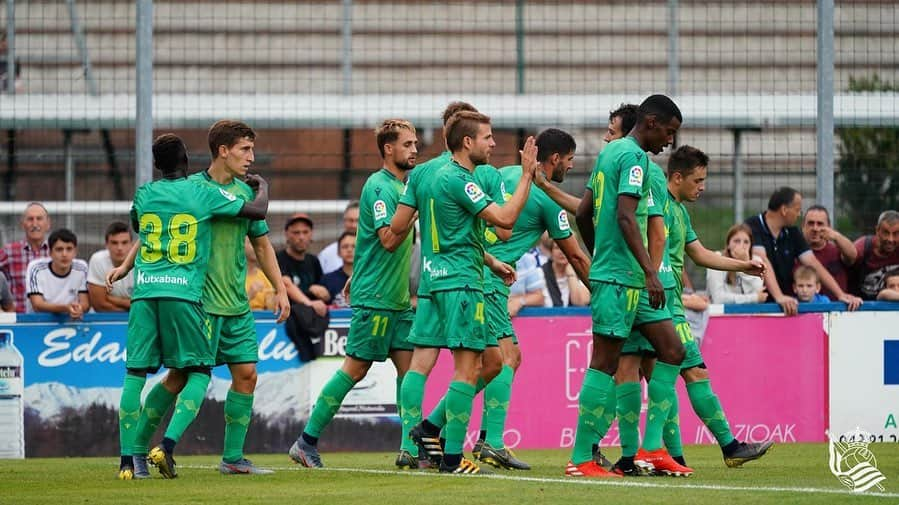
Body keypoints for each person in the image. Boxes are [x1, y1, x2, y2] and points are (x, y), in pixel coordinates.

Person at [110, 133, 269, 480]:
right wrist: (263, 187)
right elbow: (258, 210)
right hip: (187, 293)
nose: (251, 156)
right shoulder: (203, 192)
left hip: (145, 292)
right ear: (188, 160)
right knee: (196, 372)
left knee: (135, 374)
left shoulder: (144, 194)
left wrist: (125, 266)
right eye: (246, 149)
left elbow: (147, 230)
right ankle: (163, 446)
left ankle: (129, 460)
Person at [390, 111, 536, 475]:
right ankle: (452, 459)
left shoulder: (422, 174)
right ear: (467, 142)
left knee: (490, 362)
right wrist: (528, 176)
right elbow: (505, 221)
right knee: (468, 370)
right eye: (487, 137)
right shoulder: (461, 179)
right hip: (462, 285)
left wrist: (485, 260)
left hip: (433, 281)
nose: (493, 143)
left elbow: (397, 227)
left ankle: (422, 433)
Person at [566, 94, 687, 479]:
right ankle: (581, 458)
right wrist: (651, 271)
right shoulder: (635, 158)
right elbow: (625, 216)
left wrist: (597, 252)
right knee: (605, 362)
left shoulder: (609, 153)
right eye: (668, 132)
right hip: (625, 278)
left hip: (626, 275)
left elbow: (583, 213)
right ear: (651, 122)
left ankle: (651, 448)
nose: (670, 141)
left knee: (672, 350)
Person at [289, 119, 418, 469]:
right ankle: (306, 441)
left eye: (415, 143)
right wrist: (417, 205)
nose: (414, 150)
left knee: (410, 373)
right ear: (388, 149)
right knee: (355, 369)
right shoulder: (380, 187)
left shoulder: (403, 188)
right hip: (375, 298)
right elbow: (388, 240)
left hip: (398, 300)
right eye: (407, 144)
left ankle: (409, 449)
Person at [745, 187, 861, 315]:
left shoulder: (793, 232)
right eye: (797, 209)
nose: (799, 214)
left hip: (786, 307)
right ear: (784, 210)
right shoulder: (752, 226)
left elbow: (813, 263)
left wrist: (840, 294)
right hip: (757, 308)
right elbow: (762, 260)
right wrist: (779, 297)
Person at [24, 228, 89, 318]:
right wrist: (66, 308)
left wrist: (79, 309)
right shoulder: (36, 268)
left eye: (69, 249)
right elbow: (37, 305)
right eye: (59, 249)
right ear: (50, 252)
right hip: (38, 324)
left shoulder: (82, 267)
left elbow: (85, 303)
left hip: (71, 321)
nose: (64, 254)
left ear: (75, 252)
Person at [0, 202, 51, 313]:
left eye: (39, 219)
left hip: (51, 321)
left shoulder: (58, 252)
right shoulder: (9, 251)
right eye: (30, 219)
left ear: (48, 224)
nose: (35, 223)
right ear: (23, 224)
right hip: (18, 321)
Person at [801, 205, 856, 300]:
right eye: (810, 223)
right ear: (803, 227)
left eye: (820, 224)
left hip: (836, 312)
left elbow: (853, 256)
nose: (815, 228)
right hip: (801, 312)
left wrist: (836, 236)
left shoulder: (838, 251)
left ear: (829, 227)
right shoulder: (794, 253)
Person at [278, 213, 331, 307]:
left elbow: (324, 292)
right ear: (286, 234)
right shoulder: (279, 258)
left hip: (312, 316)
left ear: (311, 234)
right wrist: (309, 303)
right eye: (296, 233)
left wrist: (324, 294)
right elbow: (286, 285)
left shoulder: (314, 261)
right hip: (287, 315)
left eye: (305, 232)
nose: (301, 237)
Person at [706, 224, 767, 304]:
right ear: (728, 244)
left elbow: (756, 290)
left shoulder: (757, 261)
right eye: (736, 241)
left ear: (750, 246)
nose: (741, 246)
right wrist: (754, 298)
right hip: (719, 314)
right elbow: (718, 299)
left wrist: (745, 265)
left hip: (749, 313)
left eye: (746, 242)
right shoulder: (717, 259)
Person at [87, 221, 134, 312]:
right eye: (114, 243)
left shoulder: (142, 262)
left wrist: (112, 299)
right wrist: (129, 307)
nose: (119, 248)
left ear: (132, 244)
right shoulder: (98, 260)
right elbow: (99, 304)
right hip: (105, 319)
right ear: (106, 244)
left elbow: (145, 303)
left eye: (124, 242)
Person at [853, 210, 899, 300]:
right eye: (886, 233)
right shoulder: (862, 247)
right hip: (861, 307)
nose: (890, 239)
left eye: (896, 234)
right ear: (877, 230)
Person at [542, 240, 590, 307]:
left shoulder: (583, 271)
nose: (562, 251)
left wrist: (571, 274)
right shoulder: (541, 273)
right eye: (557, 248)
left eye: (566, 248)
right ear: (551, 251)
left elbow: (580, 302)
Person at [318, 201, 360, 274]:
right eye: (350, 220)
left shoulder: (375, 250)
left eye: (358, 221)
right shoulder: (327, 254)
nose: (354, 225)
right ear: (344, 221)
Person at [320, 232, 355, 307]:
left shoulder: (370, 279)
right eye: (345, 247)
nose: (349, 250)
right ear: (338, 252)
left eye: (354, 246)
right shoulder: (327, 280)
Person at [245, 238, 277, 311]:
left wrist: (274, 300)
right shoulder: (231, 277)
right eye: (251, 242)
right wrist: (249, 295)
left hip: (260, 319)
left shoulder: (264, 276)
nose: (257, 247)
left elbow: (271, 311)